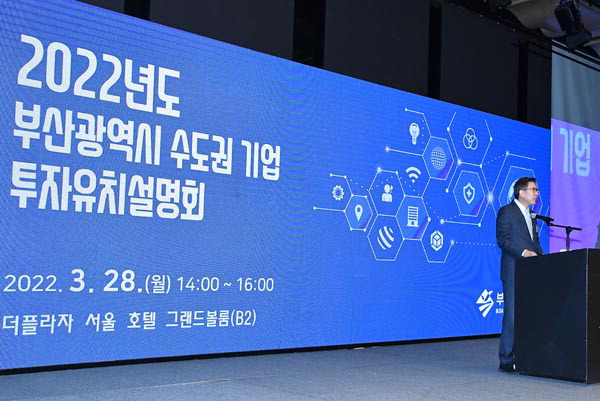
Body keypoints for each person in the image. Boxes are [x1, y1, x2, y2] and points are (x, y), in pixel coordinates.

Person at [496, 177, 544, 372]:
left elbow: (535, 243)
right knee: (512, 316)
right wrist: (524, 253)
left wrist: (543, 260)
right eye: (533, 189)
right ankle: (506, 359)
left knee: (530, 315)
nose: (536, 193)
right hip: (514, 269)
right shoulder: (506, 211)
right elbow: (503, 240)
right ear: (521, 192)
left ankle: (525, 356)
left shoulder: (532, 216)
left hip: (530, 272)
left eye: (537, 190)